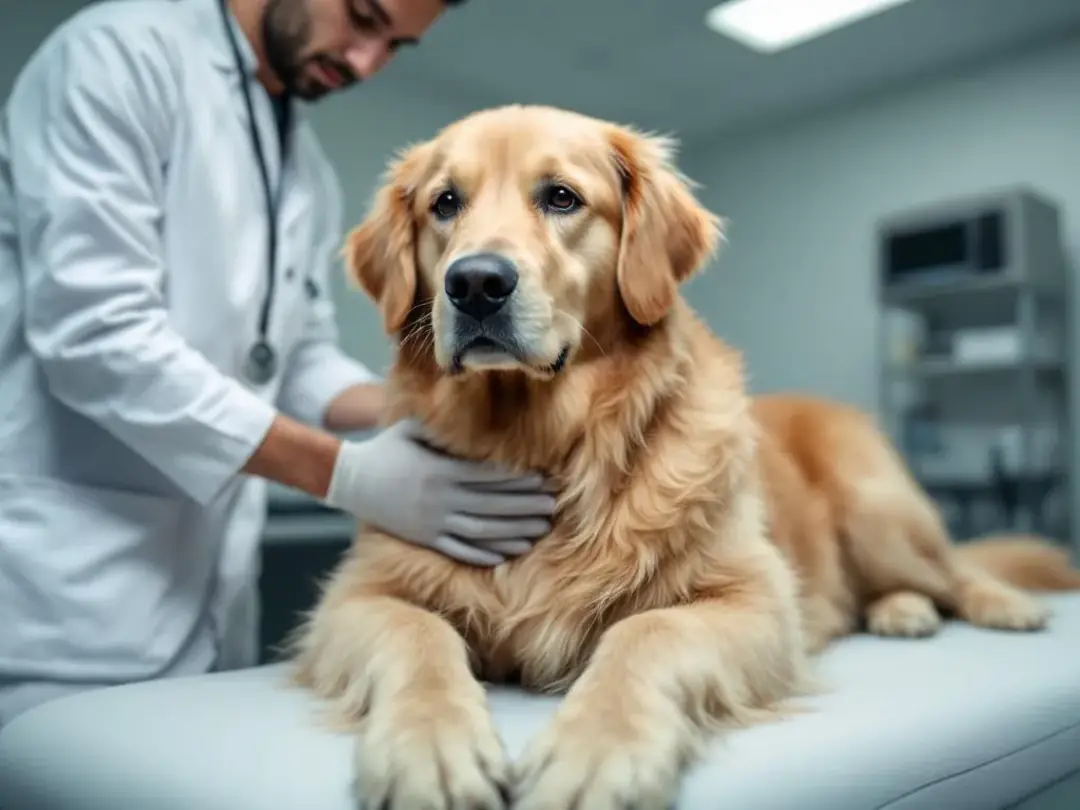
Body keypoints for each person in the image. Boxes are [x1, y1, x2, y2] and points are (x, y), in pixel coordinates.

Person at [0, 0, 555, 728]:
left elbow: (294, 357)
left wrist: (431, 414)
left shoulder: (305, 172)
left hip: (210, 596)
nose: (364, 63)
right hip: (65, 596)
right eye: (362, 18)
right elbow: (97, 339)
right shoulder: (118, 57)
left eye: (396, 47)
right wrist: (344, 473)